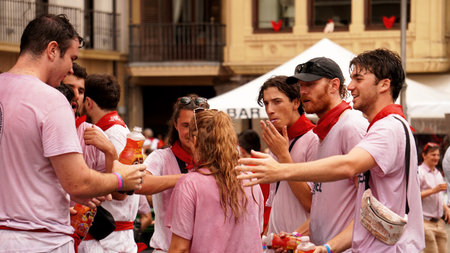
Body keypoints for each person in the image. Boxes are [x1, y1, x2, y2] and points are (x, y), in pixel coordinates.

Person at [237, 48, 425, 252]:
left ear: (384, 84)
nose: (351, 86)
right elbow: (352, 211)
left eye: (358, 79)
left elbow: (349, 167)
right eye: (301, 86)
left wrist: (282, 167)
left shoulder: (365, 126)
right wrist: (309, 240)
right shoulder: (334, 131)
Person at [0, 14, 145, 252]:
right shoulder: (52, 99)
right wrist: (121, 179)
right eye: (71, 58)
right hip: (41, 241)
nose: (70, 68)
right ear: (52, 50)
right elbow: (77, 182)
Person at [166, 109, 264, 253]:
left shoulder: (189, 184)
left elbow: (179, 248)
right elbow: (256, 231)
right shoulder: (249, 178)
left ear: (194, 140)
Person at [142, 95, 209, 253]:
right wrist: (187, 179)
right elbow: (140, 183)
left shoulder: (218, 162)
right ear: (175, 125)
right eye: (186, 125)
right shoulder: (161, 158)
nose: (192, 132)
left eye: (197, 125)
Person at [257, 75, 318, 235]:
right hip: (276, 241)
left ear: (296, 102)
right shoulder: (278, 139)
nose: (270, 110)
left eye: (277, 102)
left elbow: (312, 203)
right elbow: (276, 199)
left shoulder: (314, 138)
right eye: (266, 103)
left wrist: (284, 156)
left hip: (302, 243)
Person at [238, 129, 271, 234]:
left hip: (256, 226)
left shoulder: (244, 173)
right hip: (271, 221)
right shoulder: (272, 164)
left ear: (242, 150)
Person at [418, 142, 450, 253]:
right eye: (433, 154)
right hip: (425, 223)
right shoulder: (419, 172)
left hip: (439, 223)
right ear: (424, 155)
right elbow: (414, 196)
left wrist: (446, 209)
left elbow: (439, 197)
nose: (436, 157)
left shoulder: (438, 173)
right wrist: (433, 190)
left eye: (437, 155)